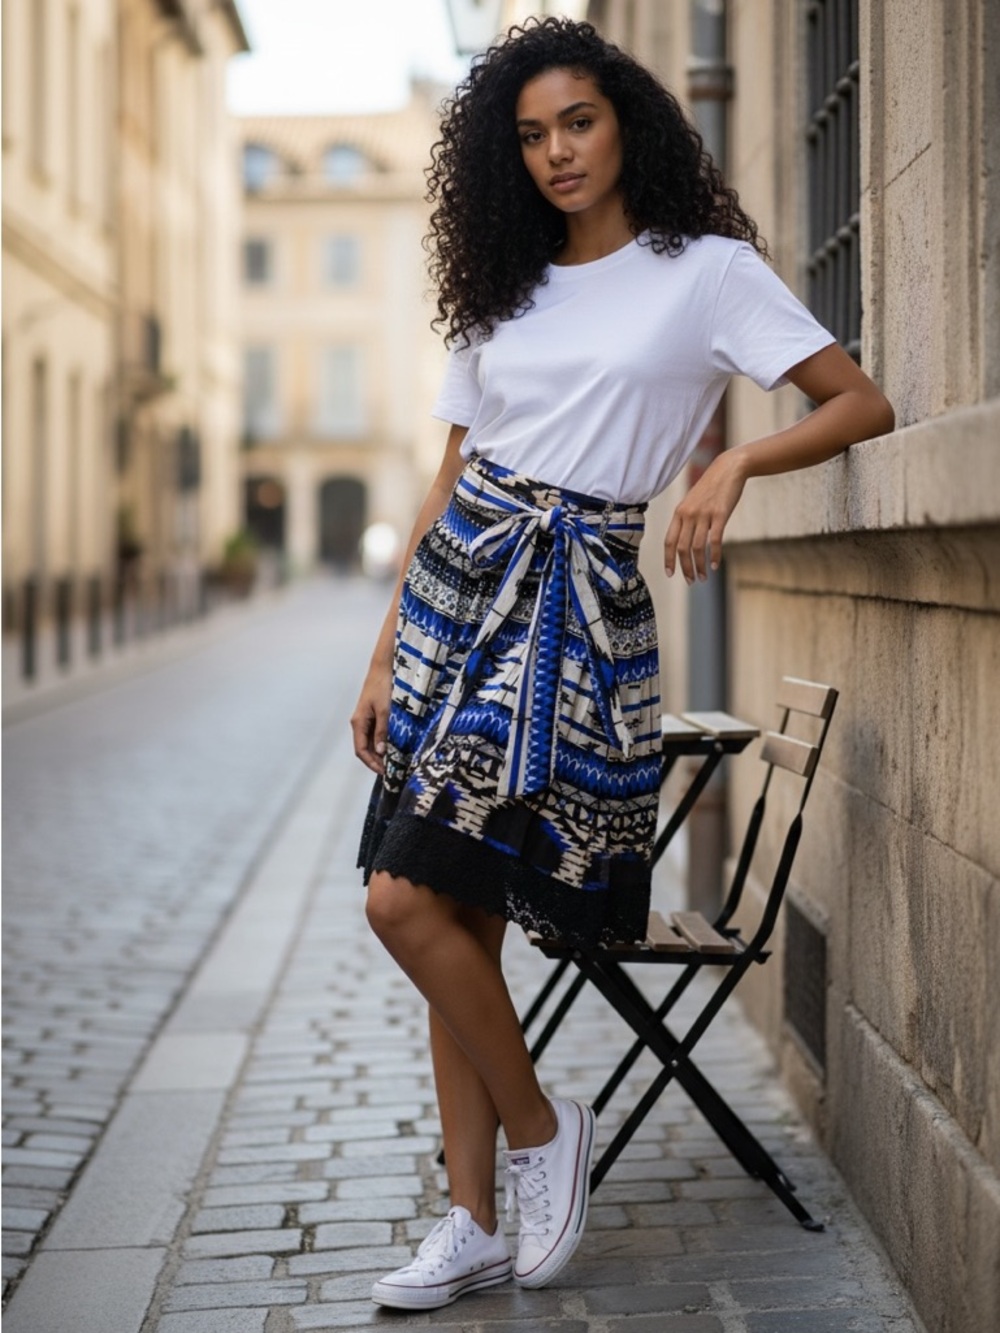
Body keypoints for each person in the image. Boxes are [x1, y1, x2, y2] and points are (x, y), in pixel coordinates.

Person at [351, 16, 893, 1313]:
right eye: (531, 135)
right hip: (455, 605)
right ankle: (473, 1217)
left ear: (628, 121)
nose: (556, 153)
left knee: (402, 900)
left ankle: (541, 1133)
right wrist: (383, 656)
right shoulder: (501, 282)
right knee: (444, 912)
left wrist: (727, 463)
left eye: (577, 123)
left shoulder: (704, 272)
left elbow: (855, 398)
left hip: (581, 609)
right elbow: (449, 478)